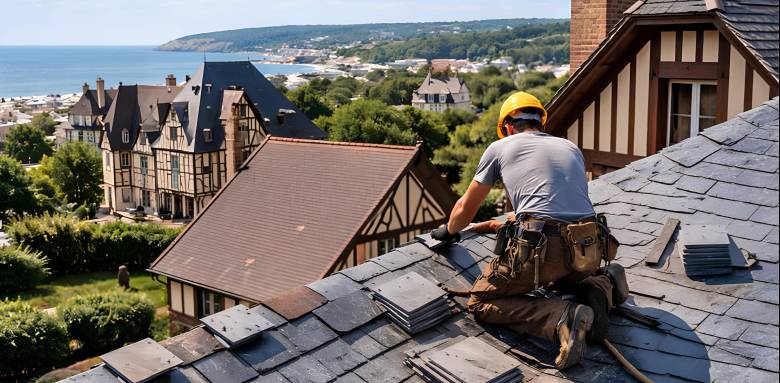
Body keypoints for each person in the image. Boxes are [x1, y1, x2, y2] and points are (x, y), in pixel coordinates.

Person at [431, 91, 627, 369]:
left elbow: (466, 208)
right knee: (555, 280)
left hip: (544, 251)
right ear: (540, 123)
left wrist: (451, 231)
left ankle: (564, 318)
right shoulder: (569, 147)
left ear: (508, 127)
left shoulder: (500, 148)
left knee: (481, 301)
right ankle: (602, 283)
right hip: (590, 247)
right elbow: (559, 203)